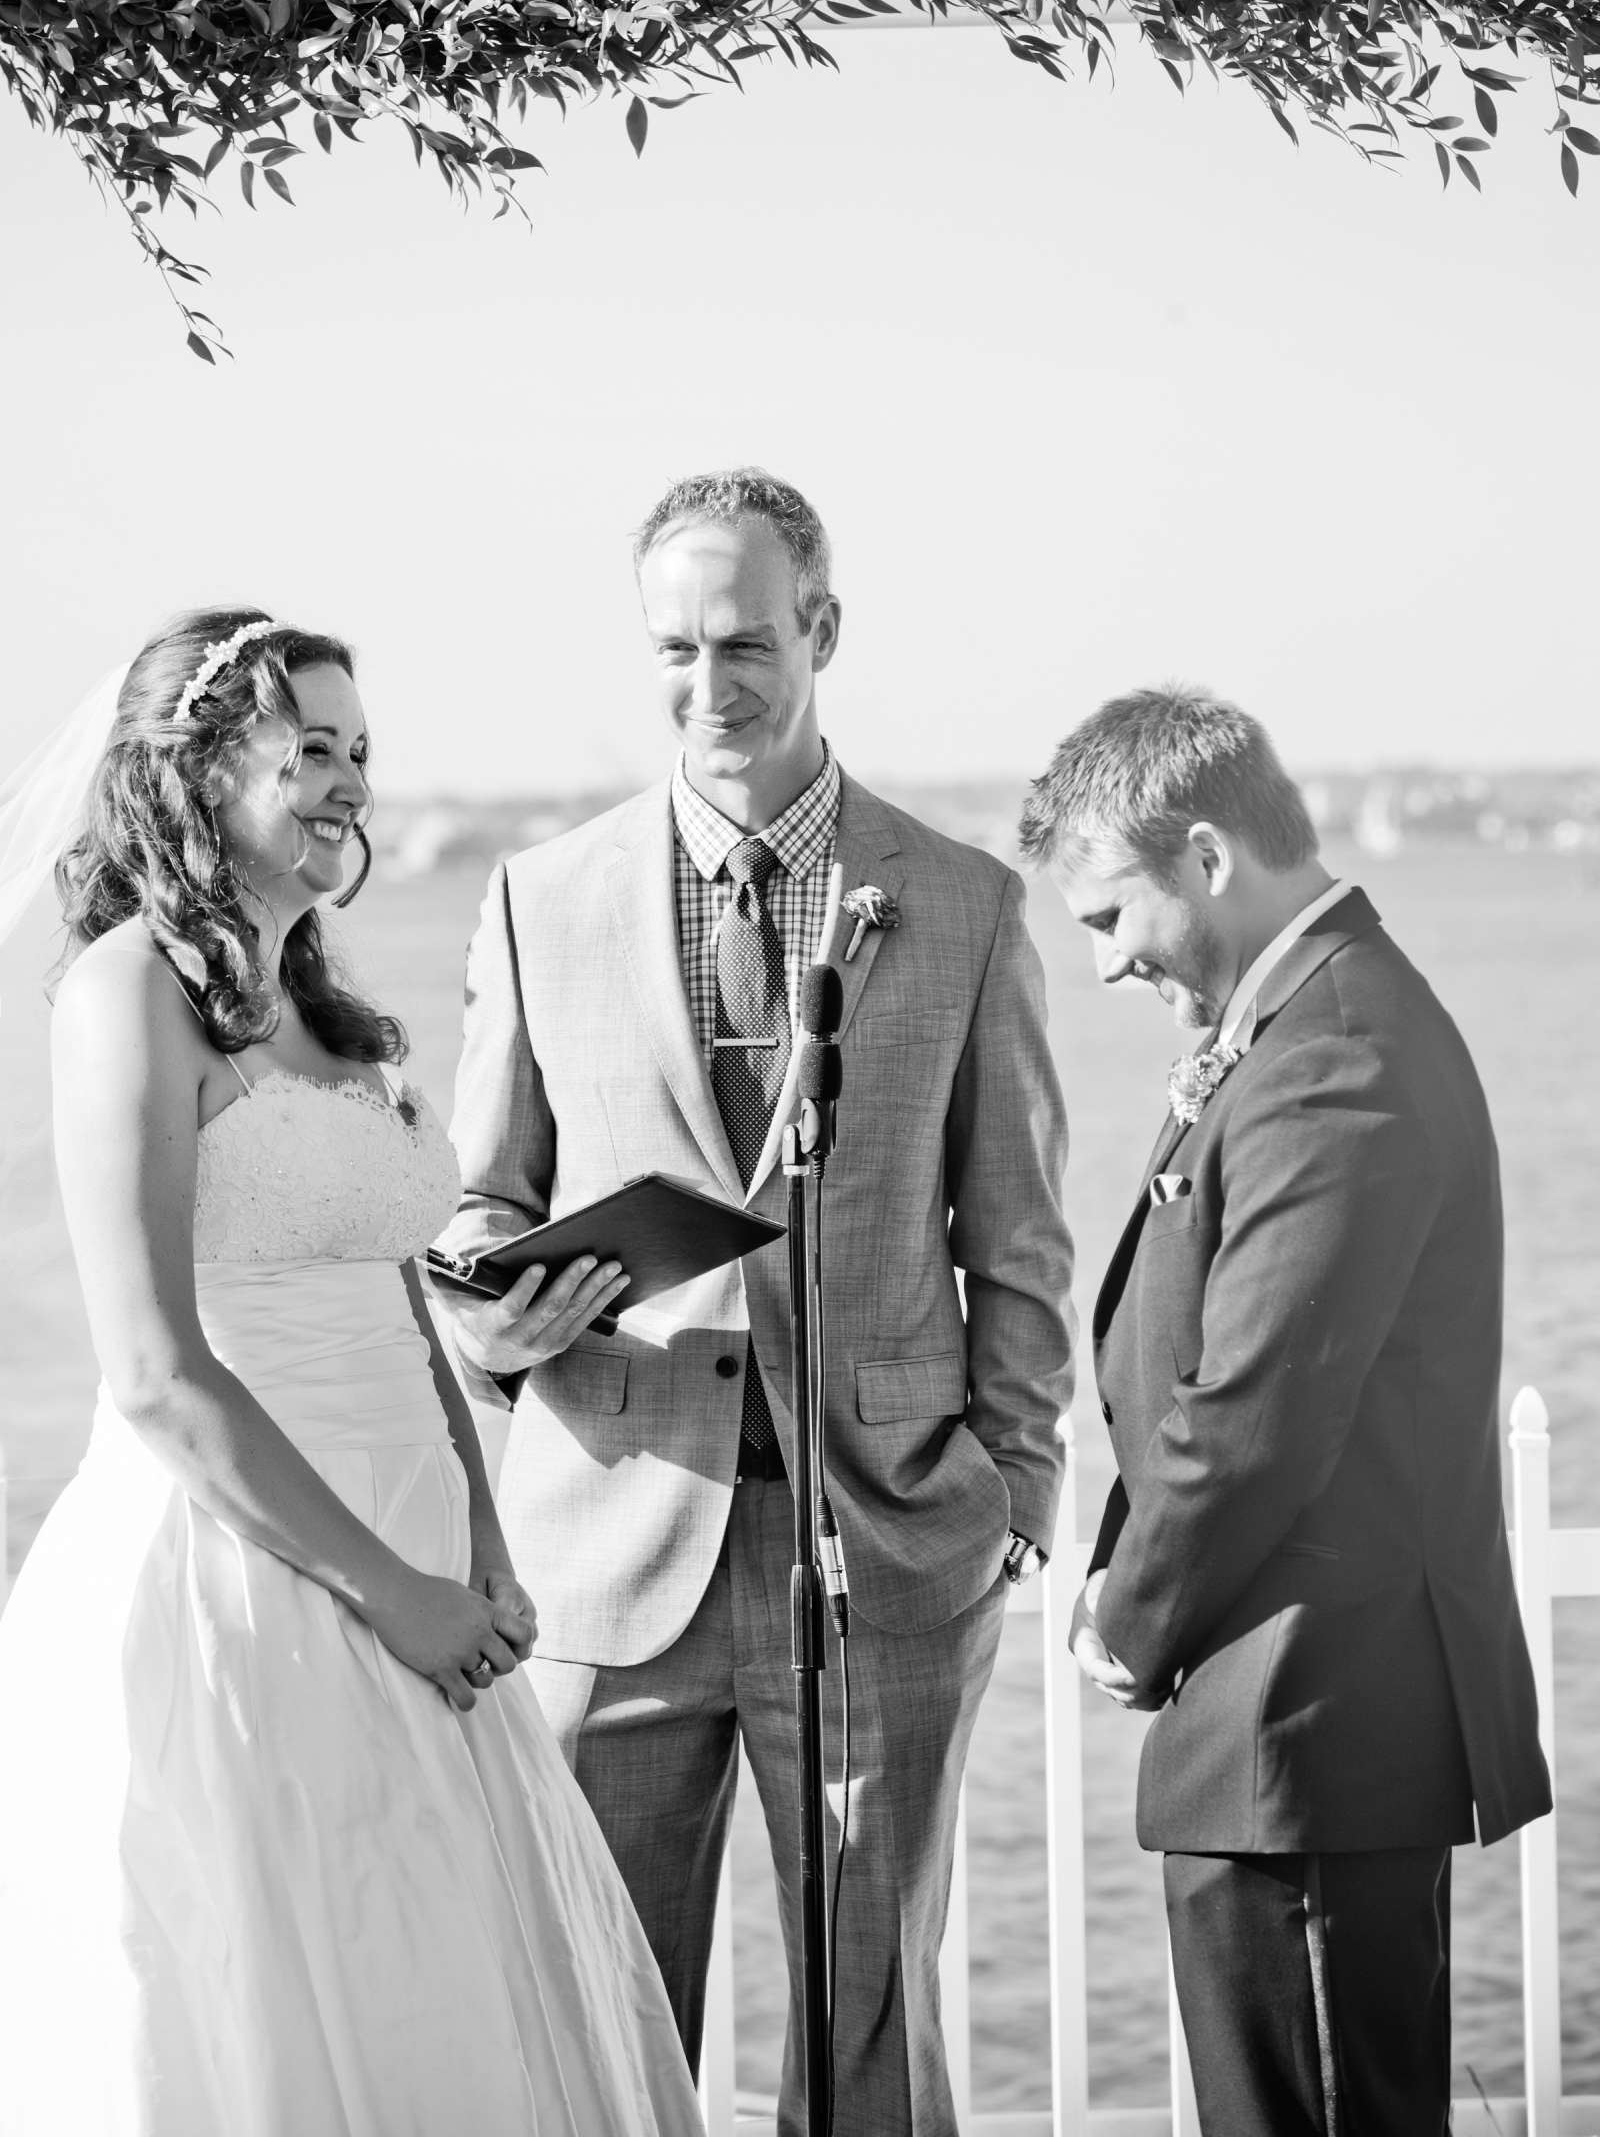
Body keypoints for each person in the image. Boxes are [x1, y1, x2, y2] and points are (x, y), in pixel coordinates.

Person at [431, 468, 1076, 2136]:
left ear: (824, 632)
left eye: (744, 645)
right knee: (597, 2028)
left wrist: (1014, 1489)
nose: (706, 687)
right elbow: (484, 1200)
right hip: (607, 1546)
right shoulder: (538, 896)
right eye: (672, 649)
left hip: (886, 1550)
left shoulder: (962, 901)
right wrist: (489, 1323)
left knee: (878, 2043)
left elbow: (1017, 1240)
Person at [0, 611, 704, 2137]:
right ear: (191, 773)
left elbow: (403, 1320)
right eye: (306, 749)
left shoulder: (337, 1019)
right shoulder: (123, 996)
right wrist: (392, 1592)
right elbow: (153, 1372)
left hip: (433, 1577)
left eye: (360, 752)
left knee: (459, 2006)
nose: (347, 785)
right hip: (248, 1576)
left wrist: (488, 1553)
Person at [1020, 684, 1551, 2137]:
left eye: (1109, 917)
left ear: (1204, 857)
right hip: (1286, 1719)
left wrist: (1128, 1616)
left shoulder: (1335, 1056)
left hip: (1315, 1720)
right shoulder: (1298, 1023)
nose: (1107, 964)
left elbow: (1256, 1408)